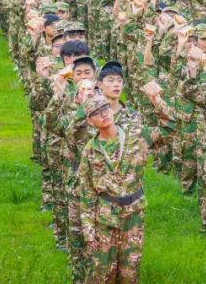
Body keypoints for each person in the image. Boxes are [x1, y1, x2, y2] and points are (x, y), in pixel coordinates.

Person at [77, 84, 173, 284]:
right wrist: (88, 231)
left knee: (129, 274)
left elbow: (170, 130)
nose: (103, 114)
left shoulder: (136, 135)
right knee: (102, 275)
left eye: (105, 108)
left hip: (133, 217)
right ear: (90, 121)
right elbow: (86, 192)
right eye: (97, 112)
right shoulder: (90, 150)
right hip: (105, 219)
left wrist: (157, 102)